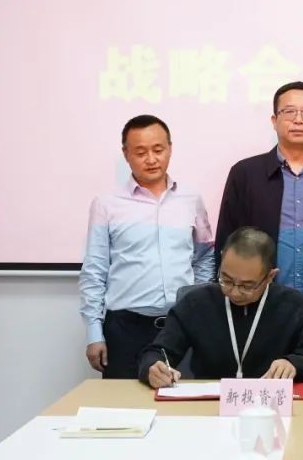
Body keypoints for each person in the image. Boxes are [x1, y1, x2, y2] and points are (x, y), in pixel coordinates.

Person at [215, 81, 303, 361]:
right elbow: (226, 242)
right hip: (257, 308)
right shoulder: (245, 174)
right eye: (289, 111)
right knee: (258, 385)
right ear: (274, 120)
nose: (298, 119)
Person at [79, 114, 216, 378]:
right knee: (125, 403)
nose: (151, 159)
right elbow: (94, 270)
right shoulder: (106, 203)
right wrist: (94, 333)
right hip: (125, 328)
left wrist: (196, 303)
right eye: (140, 152)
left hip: (182, 327)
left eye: (158, 150)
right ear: (126, 154)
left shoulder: (191, 199)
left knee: (184, 401)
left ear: (170, 149)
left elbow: (204, 256)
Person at [140, 227, 303, 386]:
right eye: (226, 279)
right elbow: (156, 352)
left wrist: (293, 364)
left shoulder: (295, 305)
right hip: (209, 405)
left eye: (247, 286)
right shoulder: (196, 303)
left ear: (270, 276)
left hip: (271, 406)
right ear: (222, 259)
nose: (234, 292)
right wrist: (153, 368)